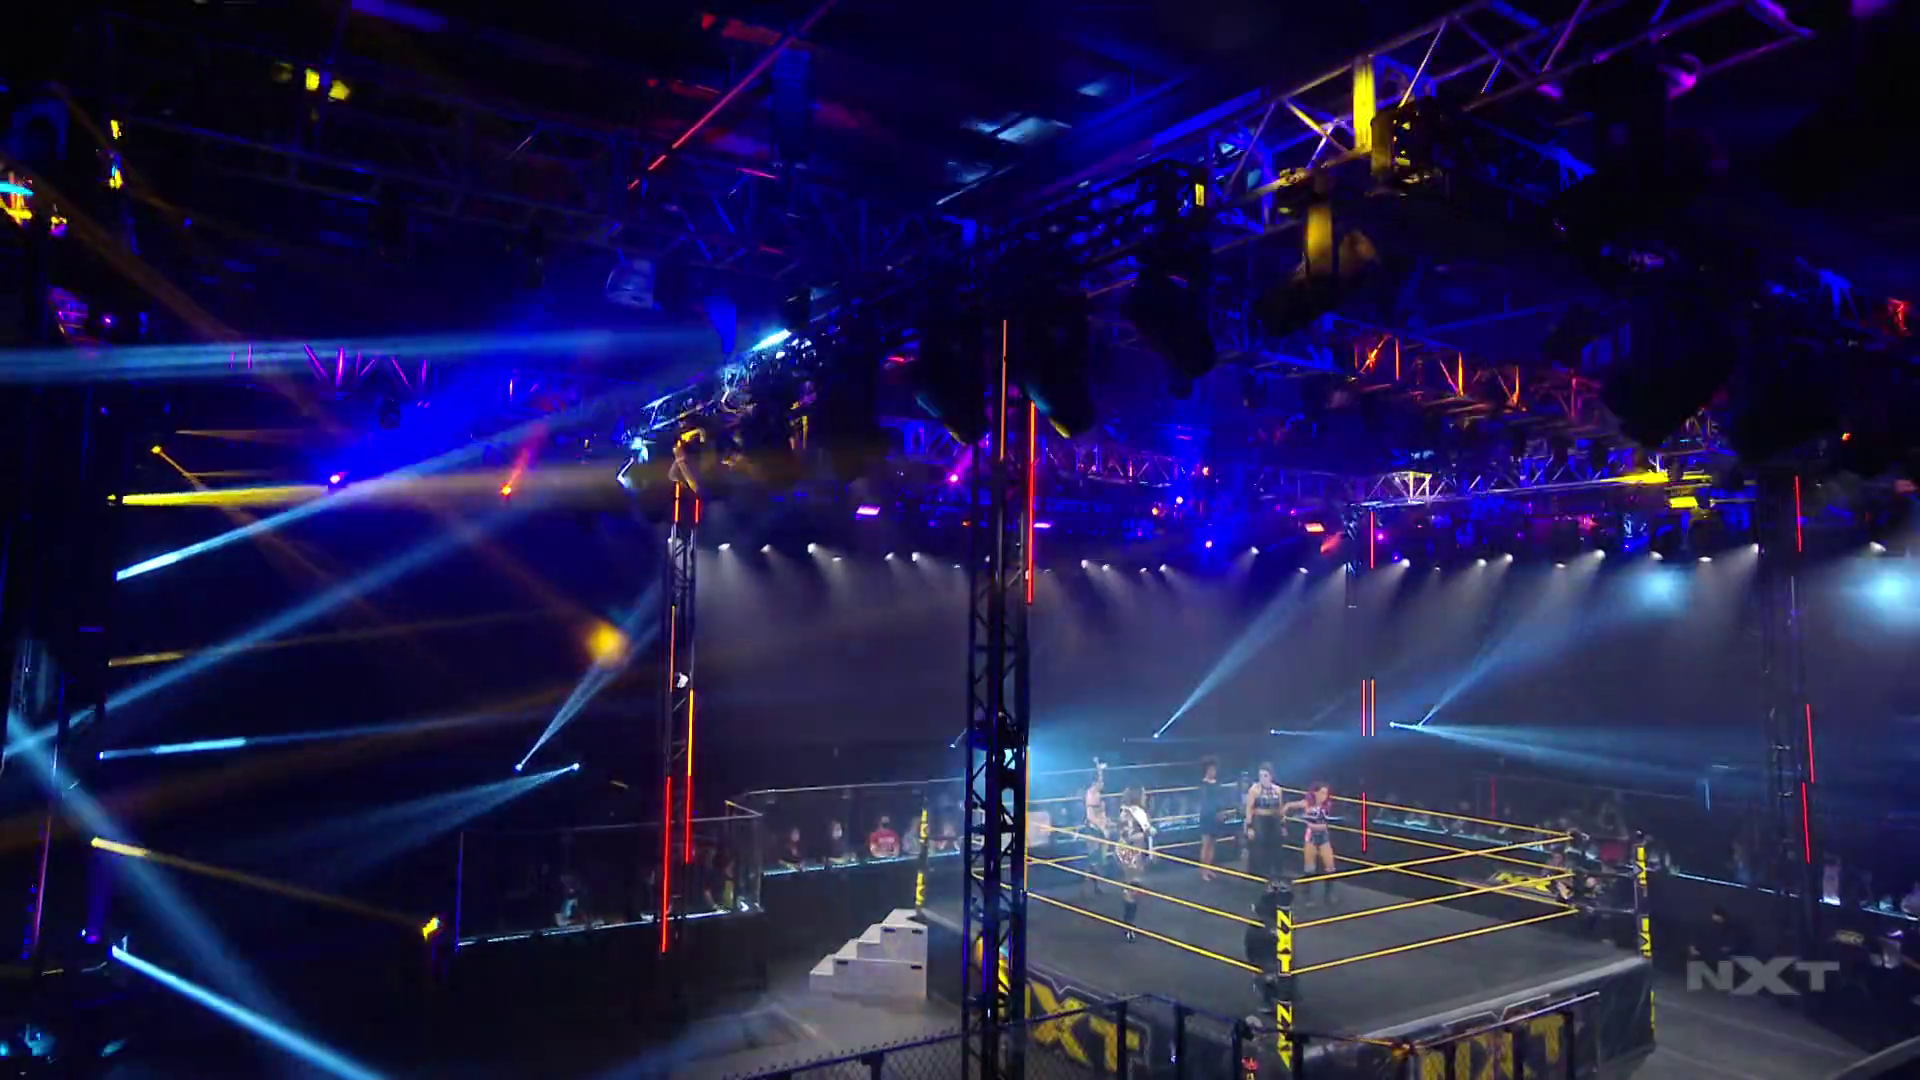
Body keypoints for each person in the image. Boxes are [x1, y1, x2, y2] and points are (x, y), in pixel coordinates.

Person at [1282, 781, 1337, 906]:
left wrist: (1310, 823)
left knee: (1330, 866)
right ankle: (1307, 896)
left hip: (1323, 836)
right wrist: (1283, 816)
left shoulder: (1328, 805)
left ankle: (1329, 895)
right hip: (1311, 836)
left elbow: (1326, 825)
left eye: (1326, 793)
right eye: (1322, 793)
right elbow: (1289, 805)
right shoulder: (1307, 803)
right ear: (1315, 793)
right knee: (1309, 868)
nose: (1324, 796)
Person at [1116, 787, 1156, 941]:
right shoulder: (1133, 813)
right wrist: (1147, 833)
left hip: (1129, 852)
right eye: (1143, 794)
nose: (1145, 796)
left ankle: (1128, 925)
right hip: (1131, 853)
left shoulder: (1128, 811)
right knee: (1132, 888)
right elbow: (1131, 835)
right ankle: (1128, 927)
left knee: (1132, 887)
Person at [1243, 763, 1287, 882]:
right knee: (1260, 845)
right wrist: (1249, 827)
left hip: (1274, 819)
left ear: (1271, 776)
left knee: (1276, 845)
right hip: (1259, 819)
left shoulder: (1277, 790)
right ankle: (1259, 873)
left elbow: (1280, 808)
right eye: (1261, 776)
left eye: (1265, 775)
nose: (1263, 778)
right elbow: (1249, 809)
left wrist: (1283, 824)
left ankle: (1276, 872)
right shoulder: (1254, 790)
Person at [1082, 760, 1112, 895]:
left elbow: (1101, 814)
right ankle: (1092, 884)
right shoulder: (1091, 794)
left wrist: (1100, 769)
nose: (1103, 784)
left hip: (1100, 827)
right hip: (1094, 829)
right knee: (1095, 858)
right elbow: (1091, 816)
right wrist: (1102, 828)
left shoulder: (1097, 793)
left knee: (1101, 858)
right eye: (1100, 781)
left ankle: (1096, 884)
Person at [1199, 757, 1229, 881]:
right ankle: (1203, 871)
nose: (1213, 771)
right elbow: (1205, 802)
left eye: (1214, 769)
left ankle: (1209, 868)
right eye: (1211, 769)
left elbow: (1220, 799)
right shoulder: (1203, 784)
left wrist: (1221, 812)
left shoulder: (1217, 783)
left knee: (1212, 844)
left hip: (1216, 815)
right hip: (1207, 816)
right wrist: (1214, 812)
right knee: (1206, 844)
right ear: (1207, 770)